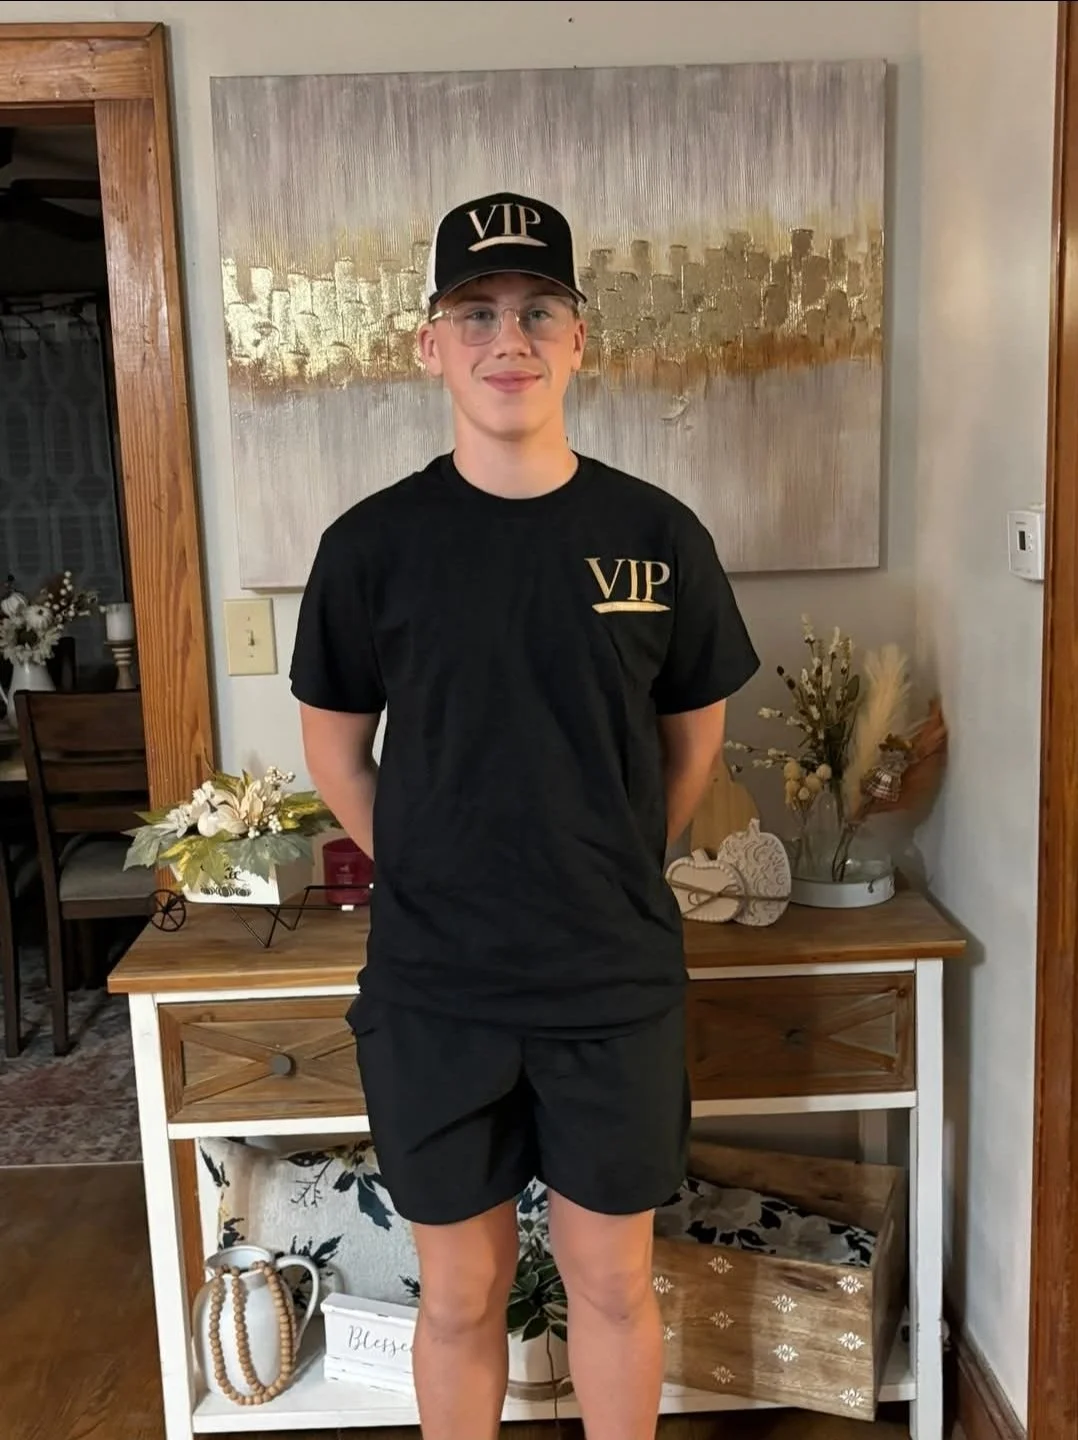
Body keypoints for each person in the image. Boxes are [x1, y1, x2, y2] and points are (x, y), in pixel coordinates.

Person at [289, 191, 759, 1440]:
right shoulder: (370, 548)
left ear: (579, 338)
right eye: (478, 312)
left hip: (611, 976)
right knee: (460, 1293)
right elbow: (337, 755)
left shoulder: (657, 538)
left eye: (538, 309)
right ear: (430, 344)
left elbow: (691, 738)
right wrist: (438, 868)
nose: (512, 338)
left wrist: (605, 861)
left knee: (610, 1283)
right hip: (436, 986)